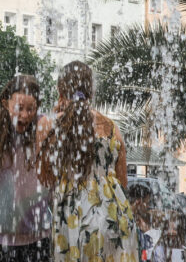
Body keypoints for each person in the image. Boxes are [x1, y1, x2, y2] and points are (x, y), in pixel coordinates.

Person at [39, 61, 139, 262]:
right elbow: (122, 180)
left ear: (60, 89)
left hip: (75, 216)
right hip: (115, 216)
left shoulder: (49, 124)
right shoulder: (112, 128)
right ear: (92, 91)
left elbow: (45, 178)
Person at [0, 75, 52, 262]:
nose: (25, 115)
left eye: (31, 109)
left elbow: (52, 177)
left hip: (38, 236)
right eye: (19, 108)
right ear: (5, 103)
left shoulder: (42, 125)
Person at [128, 184, 154, 259]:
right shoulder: (129, 222)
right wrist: (148, 232)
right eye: (147, 203)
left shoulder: (135, 219)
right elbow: (148, 251)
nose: (148, 206)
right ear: (139, 202)